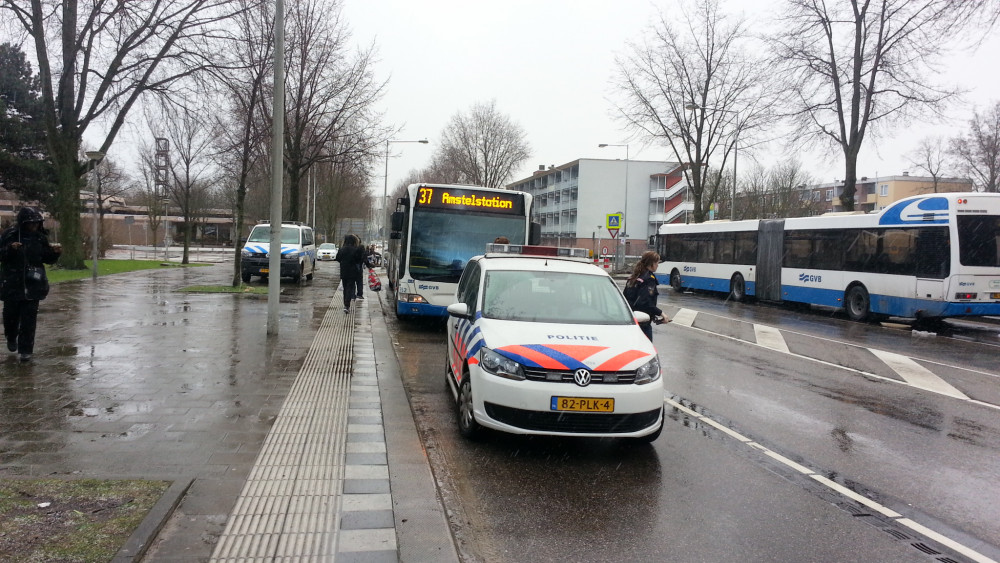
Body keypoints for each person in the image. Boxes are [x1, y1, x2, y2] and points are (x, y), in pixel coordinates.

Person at [1, 207, 62, 361]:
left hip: (33, 284)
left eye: (36, 224)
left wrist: (54, 253)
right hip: (12, 284)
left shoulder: (40, 238)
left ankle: (26, 350)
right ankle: (11, 336)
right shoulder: (10, 235)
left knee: (29, 319)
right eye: (31, 224)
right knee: (11, 316)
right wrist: (10, 249)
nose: (34, 227)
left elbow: (45, 258)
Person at [624, 251, 668, 341]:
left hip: (630, 320)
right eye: (656, 263)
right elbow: (646, 302)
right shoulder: (648, 279)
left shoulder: (634, 276)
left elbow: (624, 299)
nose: (657, 265)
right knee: (647, 351)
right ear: (652, 263)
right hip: (643, 323)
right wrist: (661, 313)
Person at [334, 235, 364, 313]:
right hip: (352, 272)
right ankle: (347, 305)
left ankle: (345, 304)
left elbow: (337, 258)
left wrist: (343, 262)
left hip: (344, 271)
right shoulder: (355, 249)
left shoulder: (342, 249)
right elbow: (358, 260)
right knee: (350, 287)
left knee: (345, 287)